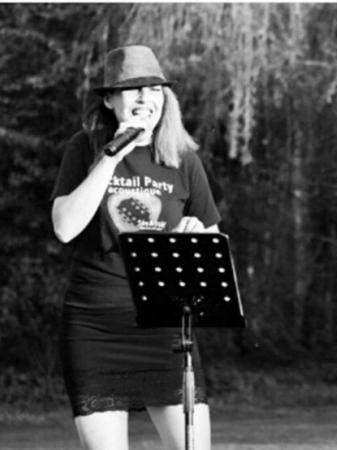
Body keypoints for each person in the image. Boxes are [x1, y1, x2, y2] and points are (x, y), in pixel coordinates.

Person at [51, 45, 219, 450]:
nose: (147, 97)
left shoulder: (182, 159)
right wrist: (113, 155)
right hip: (96, 326)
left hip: (165, 328)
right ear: (109, 100)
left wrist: (194, 240)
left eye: (155, 88)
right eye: (134, 88)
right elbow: (65, 228)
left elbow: (212, 243)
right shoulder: (85, 148)